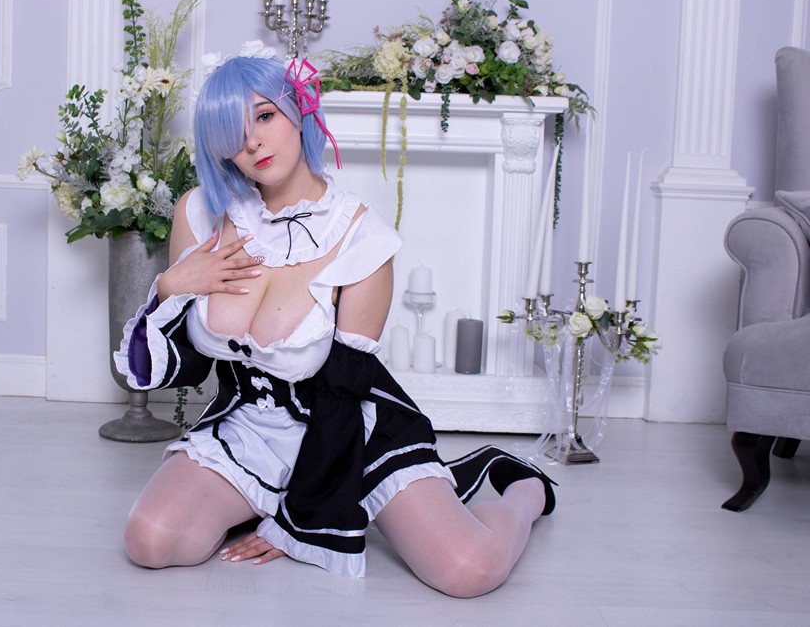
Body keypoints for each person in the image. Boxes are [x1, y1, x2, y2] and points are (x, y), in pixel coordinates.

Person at [113, 50, 556, 598]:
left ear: (299, 109)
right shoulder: (202, 213)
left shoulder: (361, 238)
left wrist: (298, 522)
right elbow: (188, 367)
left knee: (470, 571)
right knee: (150, 540)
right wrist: (171, 287)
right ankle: (259, 492)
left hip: (351, 428)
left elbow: (342, 395)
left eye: (265, 116)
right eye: (232, 132)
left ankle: (524, 491)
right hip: (251, 424)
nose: (252, 143)